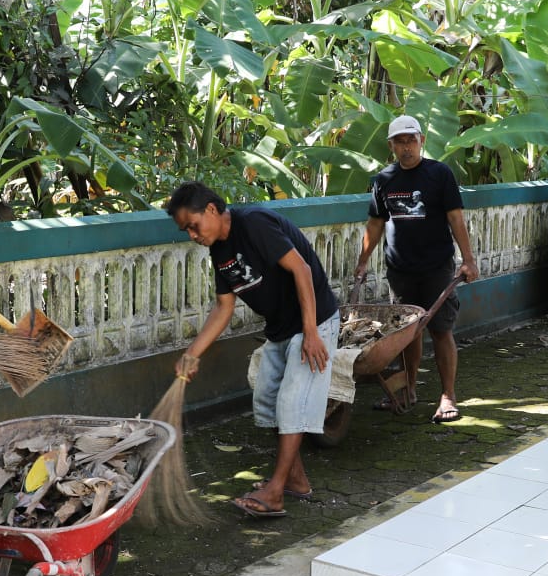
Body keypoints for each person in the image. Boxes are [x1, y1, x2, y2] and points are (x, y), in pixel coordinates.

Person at [166, 181, 339, 519]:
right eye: (186, 229)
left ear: (212, 211)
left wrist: (311, 331)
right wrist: (192, 354)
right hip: (279, 330)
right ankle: (297, 480)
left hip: (313, 323)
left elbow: (301, 270)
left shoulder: (254, 223)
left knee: (291, 401)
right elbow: (223, 307)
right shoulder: (219, 249)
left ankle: (275, 492)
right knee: (268, 400)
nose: (191, 235)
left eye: (193, 225)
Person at [356, 115, 480, 424]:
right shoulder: (383, 180)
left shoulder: (439, 174)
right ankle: (408, 390)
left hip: (436, 268)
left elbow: (455, 218)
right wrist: (362, 261)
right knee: (406, 334)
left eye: (411, 140)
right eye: (400, 142)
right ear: (391, 146)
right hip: (400, 269)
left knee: (440, 331)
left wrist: (468, 259)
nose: (406, 147)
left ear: (421, 140)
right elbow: (375, 224)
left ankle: (447, 396)